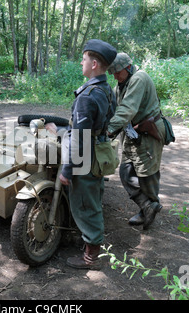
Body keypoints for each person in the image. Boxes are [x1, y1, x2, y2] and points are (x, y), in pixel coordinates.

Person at [59, 39, 117, 270]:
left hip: (86, 156)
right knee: (94, 197)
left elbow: (80, 138)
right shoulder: (106, 89)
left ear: (94, 64)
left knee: (85, 203)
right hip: (100, 152)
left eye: (83, 59)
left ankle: (91, 257)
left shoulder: (87, 95)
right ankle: (88, 243)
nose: (80, 63)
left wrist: (67, 170)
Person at [107, 53, 165, 230]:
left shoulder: (139, 78)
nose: (115, 76)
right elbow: (116, 110)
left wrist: (109, 129)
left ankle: (151, 206)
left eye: (117, 72)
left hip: (148, 132)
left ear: (128, 68)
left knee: (147, 174)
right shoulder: (120, 85)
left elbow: (127, 108)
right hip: (132, 133)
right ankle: (148, 206)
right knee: (126, 172)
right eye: (113, 73)